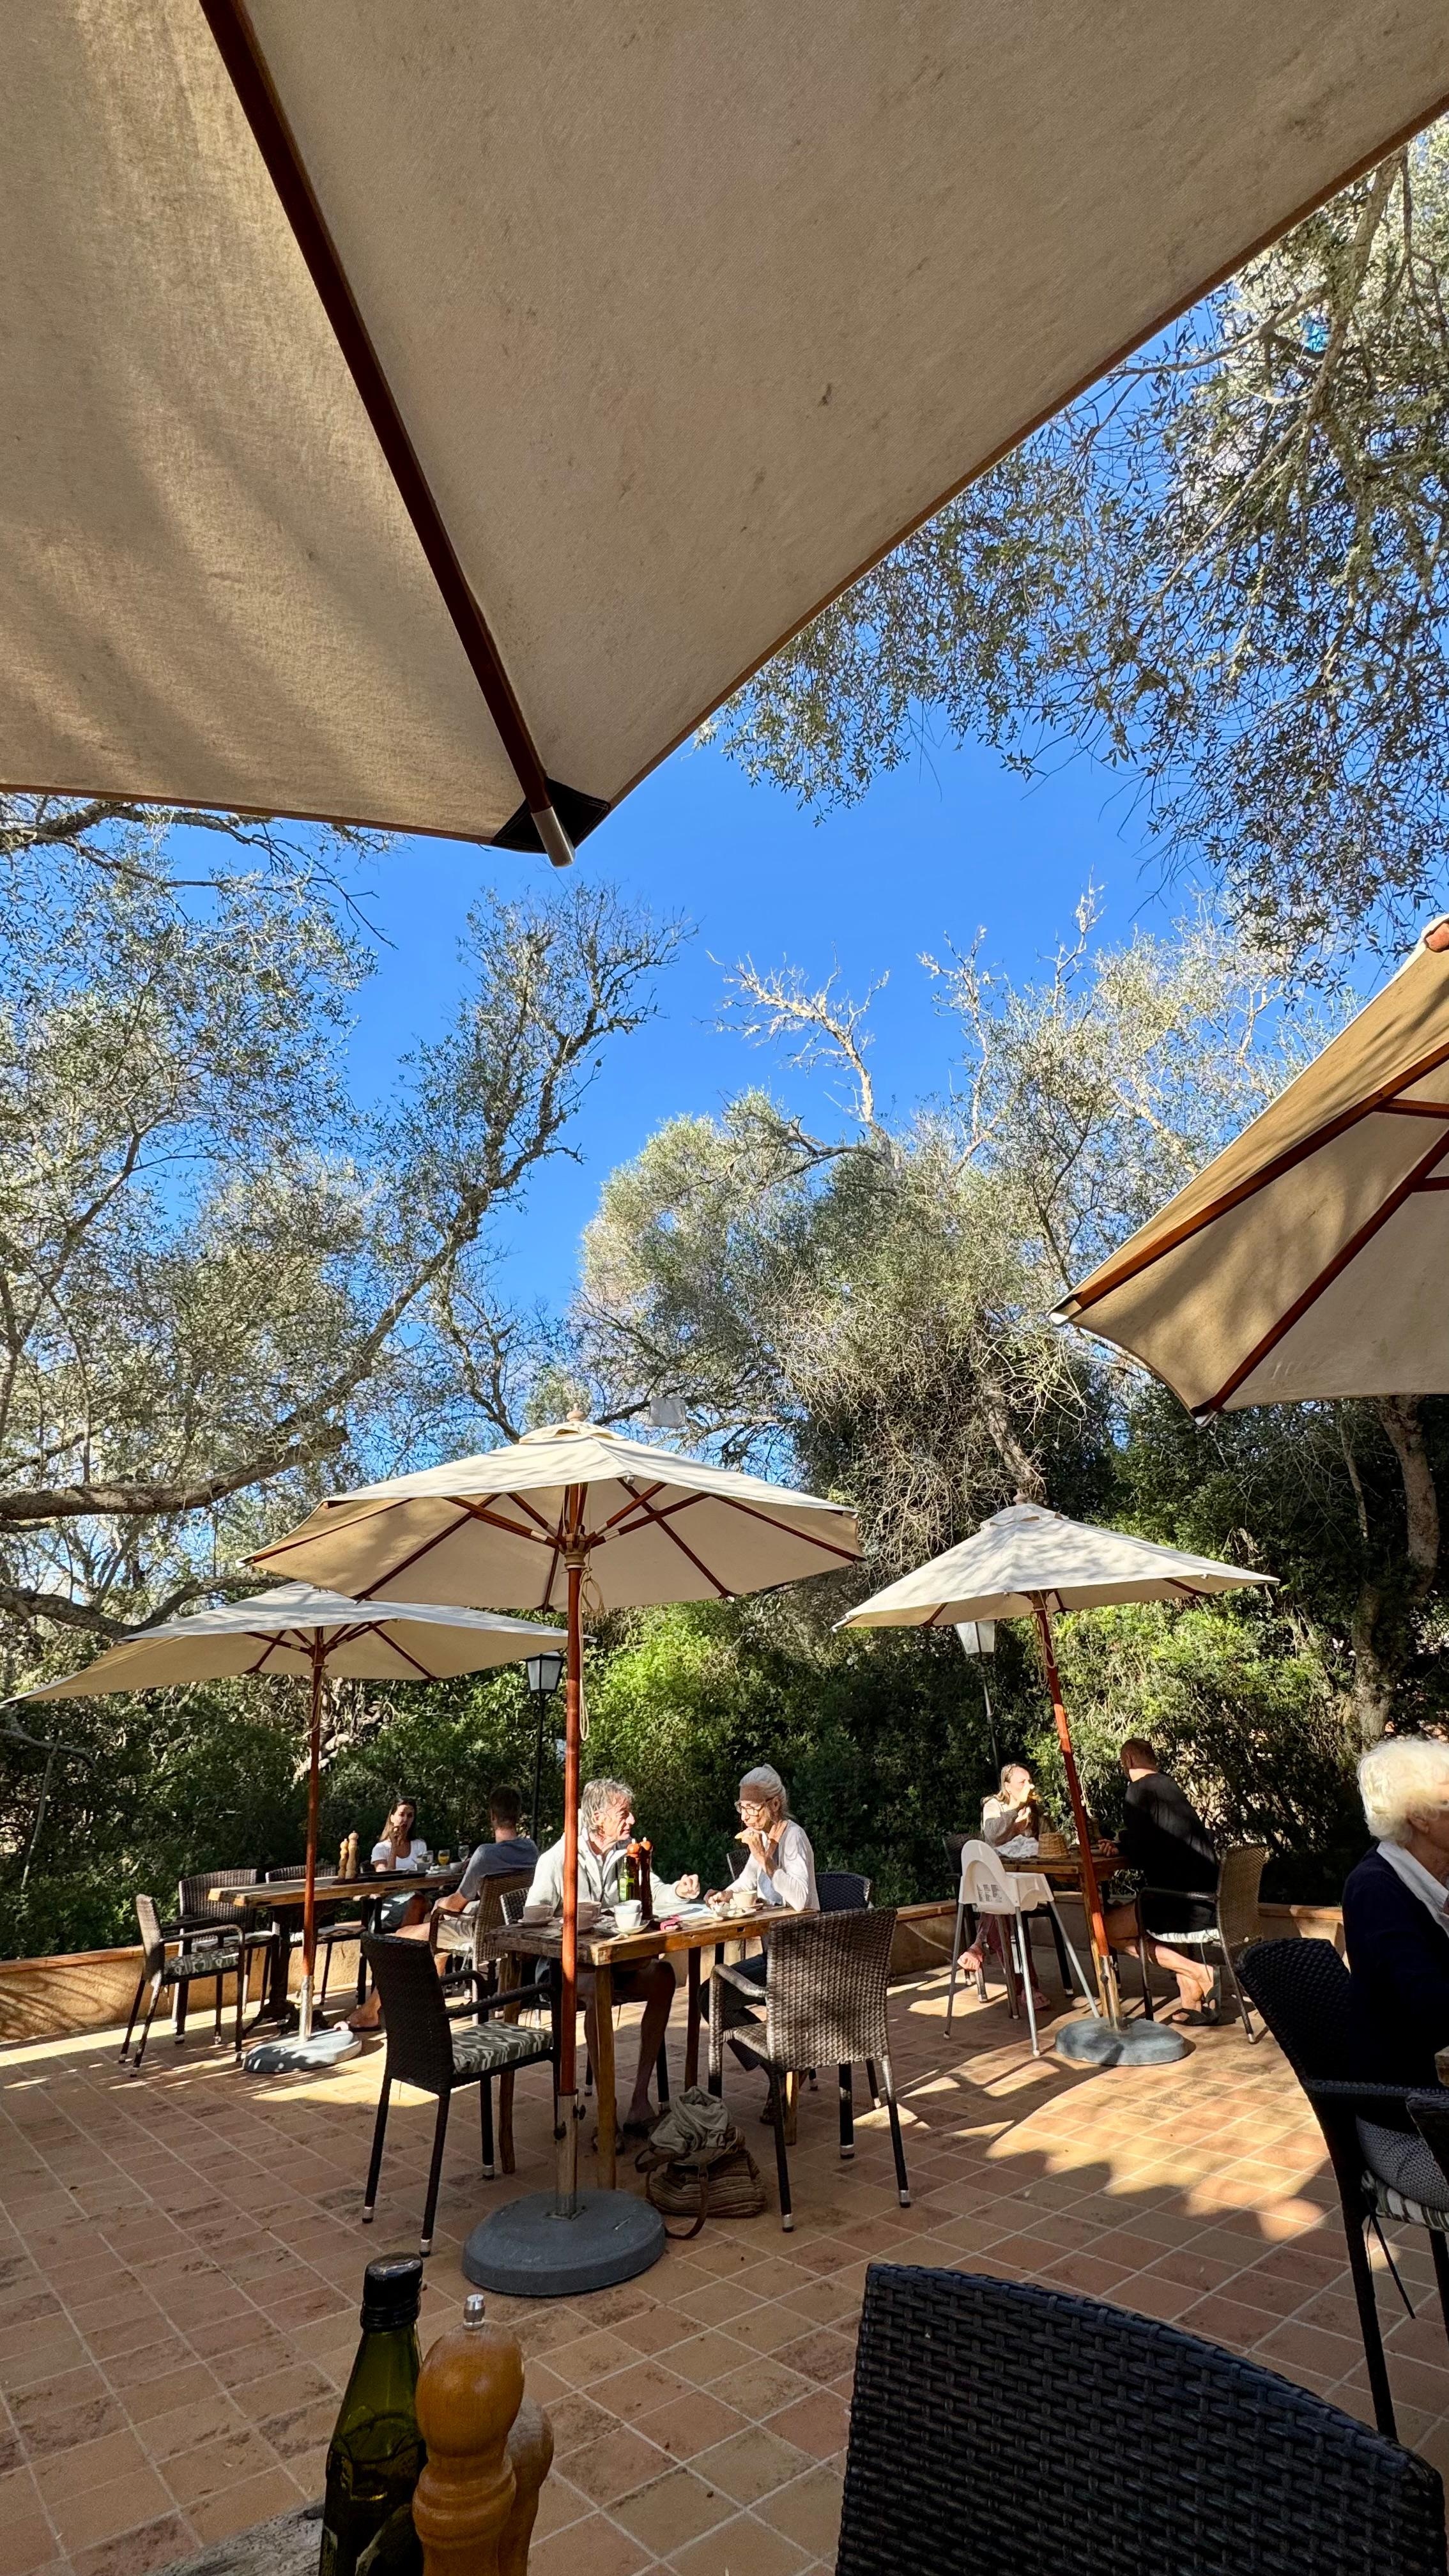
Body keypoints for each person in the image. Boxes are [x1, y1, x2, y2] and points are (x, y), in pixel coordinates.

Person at [528, 1776, 700, 2136]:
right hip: (565, 1970)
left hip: (617, 1962)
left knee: (664, 1977)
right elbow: (533, 1917)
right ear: (597, 1818)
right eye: (624, 1814)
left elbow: (653, 1891)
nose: (632, 1820)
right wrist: (571, 1922)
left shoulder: (626, 1853)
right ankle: (607, 2108)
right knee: (596, 1986)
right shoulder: (558, 1858)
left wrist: (680, 1891)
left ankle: (639, 2101)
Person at [1344, 1734, 1449, 2087]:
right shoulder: (1375, 1889)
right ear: (1419, 1816)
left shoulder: (1440, 1871)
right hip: (1411, 2089)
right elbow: (1431, 2007)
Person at [1115, 1738, 1219, 2025]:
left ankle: (1200, 1973)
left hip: (1178, 1904)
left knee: (1106, 1930)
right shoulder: (1169, 1786)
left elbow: (1140, 1853)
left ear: (1128, 1761)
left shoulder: (1139, 1790)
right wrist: (1123, 1843)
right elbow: (1158, 1839)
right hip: (1207, 1898)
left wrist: (1120, 1845)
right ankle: (1191, 1993)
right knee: (1138, 1917)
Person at [956, 1763, 1048, 2011]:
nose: (1029, 1786)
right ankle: (1027, 1987)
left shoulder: (1032, 1809)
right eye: (1022, 1782)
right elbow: (993, 1834)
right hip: (994, 1885)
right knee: (1003, 1916)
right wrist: (1015, 1815)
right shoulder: (993, 1806)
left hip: (1023, 1883)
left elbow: (1038, 1843)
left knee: (1001, 1912)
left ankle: (979, 1944)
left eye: (1030, 1781)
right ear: (1007, 1786)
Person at [347, 1795, 433, 2028]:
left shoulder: (419, 1845)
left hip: (417, 1900)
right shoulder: (381, 1848)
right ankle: (406, 1956)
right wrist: (394, 1848)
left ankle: (405, 1957)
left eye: (410, 1815)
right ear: (392, 1817)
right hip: (387, 1907)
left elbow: (426, 1875)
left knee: (428, 1909)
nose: (405, 1820)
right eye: (402, 1814)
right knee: (420, 1905)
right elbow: (385, 1882)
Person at [707, 1766, 818, 1916]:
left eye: (751, 1808)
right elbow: (747, 1882)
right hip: (767, 1923)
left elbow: (800, 1901)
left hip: (797, 1926)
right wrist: (725, 1895)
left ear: (775, 1804)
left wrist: (763, 1858)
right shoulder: (763, 1836)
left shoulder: (793, 1836)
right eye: (742, 1807)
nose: (744, 1817)